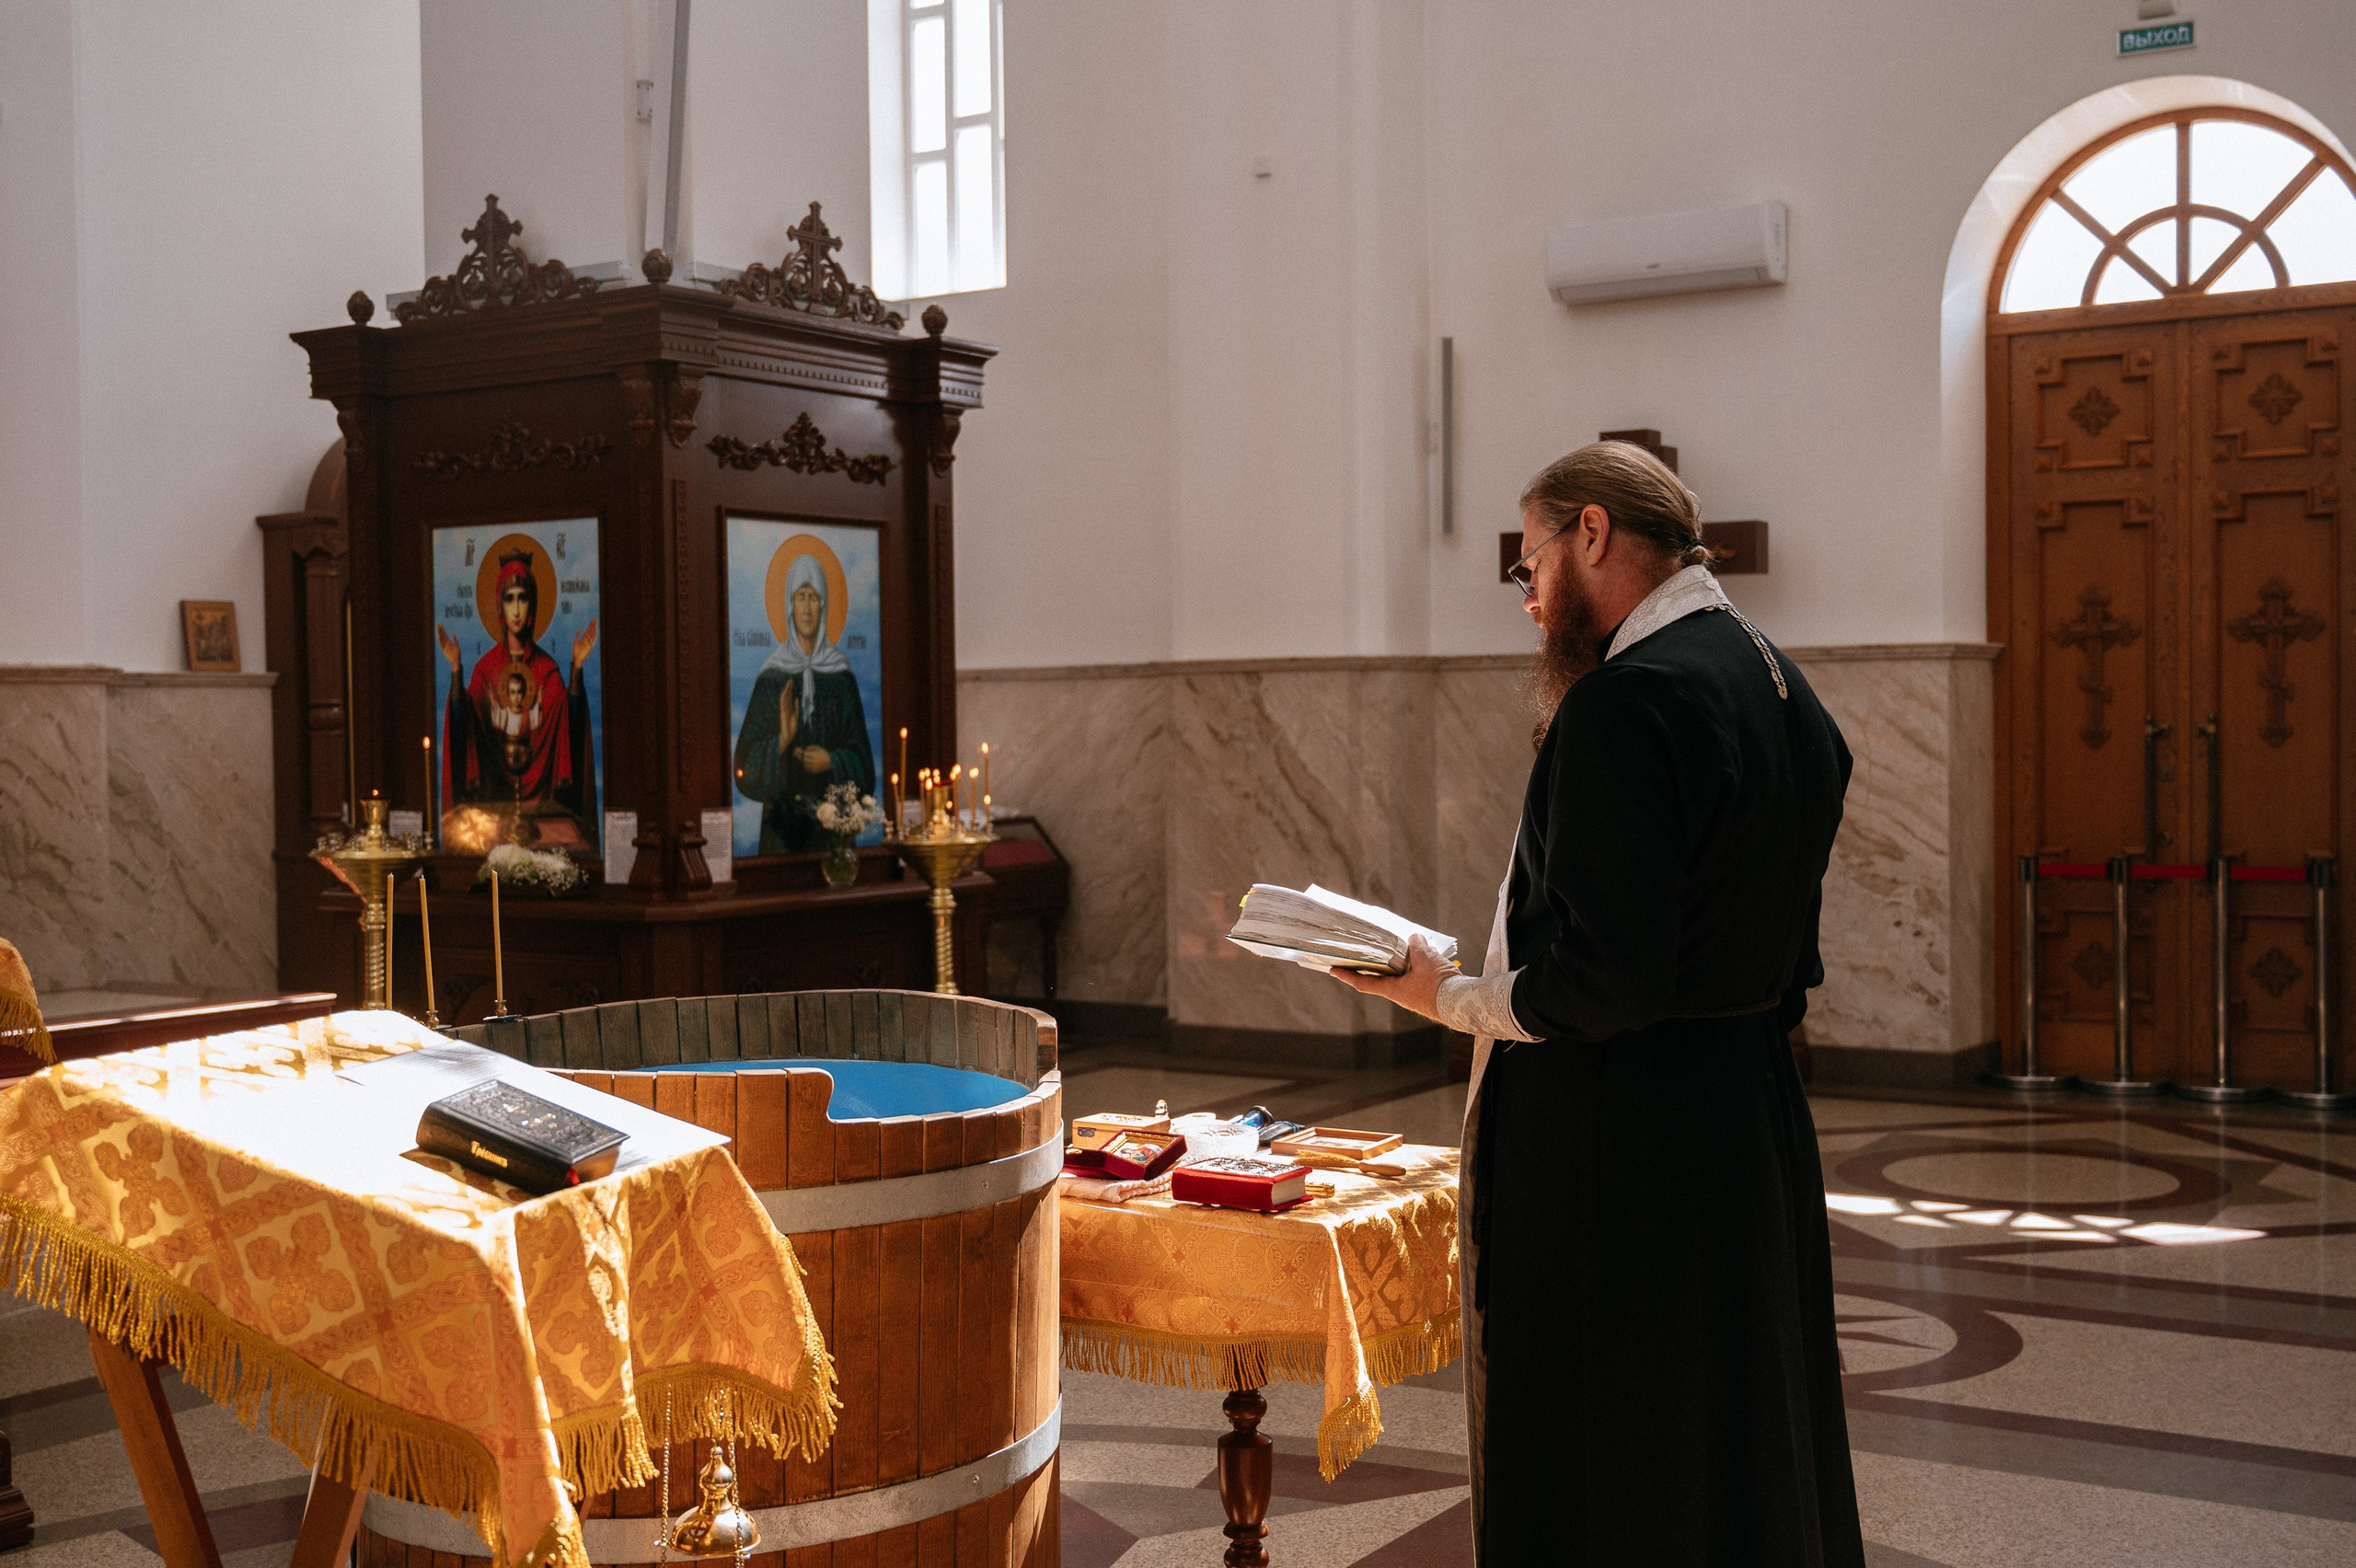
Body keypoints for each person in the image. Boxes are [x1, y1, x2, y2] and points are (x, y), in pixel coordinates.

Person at [1335, 441, 1864, 1566]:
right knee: (1735, 1409)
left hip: (1627, 1136)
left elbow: (1603, 984)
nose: (1529, 603)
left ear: (1590, 533)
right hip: (1746, 1111)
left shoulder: (1626, 704)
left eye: (1528, 566)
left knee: (1622, 1423)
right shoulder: (1777, 679)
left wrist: (1448, 994)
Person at [437, 548, 598, 843]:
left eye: (523, 598)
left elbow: (568, 728)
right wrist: (457, 671)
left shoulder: (547, 671)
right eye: (509, 598)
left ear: (533, 606)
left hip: (541, 807)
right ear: (499, 606)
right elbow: (465, 727)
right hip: (493, 805)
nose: (516, 609)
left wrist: (576, 667)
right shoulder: (486, 670)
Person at [733, 554, 877, 854]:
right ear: (790, 604)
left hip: (833, 836)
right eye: (801, 597)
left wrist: (833, 761)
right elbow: (744, 768)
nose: (807, 609)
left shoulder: (840, 676)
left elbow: (864, 767)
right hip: (780, 835)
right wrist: (782, 741)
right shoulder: (772, 676)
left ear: (823, 605)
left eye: (814, 597)